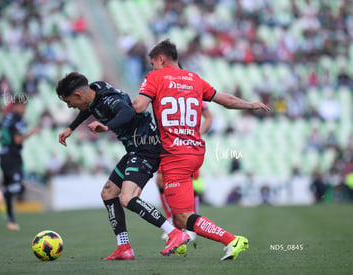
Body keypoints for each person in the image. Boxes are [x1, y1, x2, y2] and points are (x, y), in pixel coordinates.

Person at [133, 39, 271, 260]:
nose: (152, 68)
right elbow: (226, 100)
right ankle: (179, 240)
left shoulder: (155, 77)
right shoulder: (194, 79)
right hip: (195, 151)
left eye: (153, 63)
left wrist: (114, 114)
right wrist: (249, 104)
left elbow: (139, 106)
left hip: (175, 155)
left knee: (183, 217)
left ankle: (232, 240)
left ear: (161, 59)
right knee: (181, 215)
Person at [56, 72, 187, 260]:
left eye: (69, 102)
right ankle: (124, 247)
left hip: (146, 149)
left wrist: (107, 126)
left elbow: (127, 111)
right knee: (108, 193)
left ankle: (174, 233)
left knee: (128, 199)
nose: (70, 106)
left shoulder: (109, 100)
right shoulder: (95, 91)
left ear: (78, 95)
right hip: (135, 149)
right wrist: (71, 128)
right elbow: (88, 109)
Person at [156, 101, 213, 241]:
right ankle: (171, 221)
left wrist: (197, 135)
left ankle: (192, 223)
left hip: (188, 144)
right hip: (169, 143)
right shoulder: (167, 89)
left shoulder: (194, 91)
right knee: (160, 180)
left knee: (189, 181)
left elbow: (209, 117)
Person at [0, 94, 39, 231]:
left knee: (9, 186)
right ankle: (2, 194)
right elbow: (17, 140)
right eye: (23, 106)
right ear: (16, 105)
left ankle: (11, 220)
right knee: (18, 187)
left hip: (3, 155)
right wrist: (31, 133)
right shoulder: (18, 119)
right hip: (13, 156)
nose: (24, 109)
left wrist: (3, 143)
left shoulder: (6, 117)